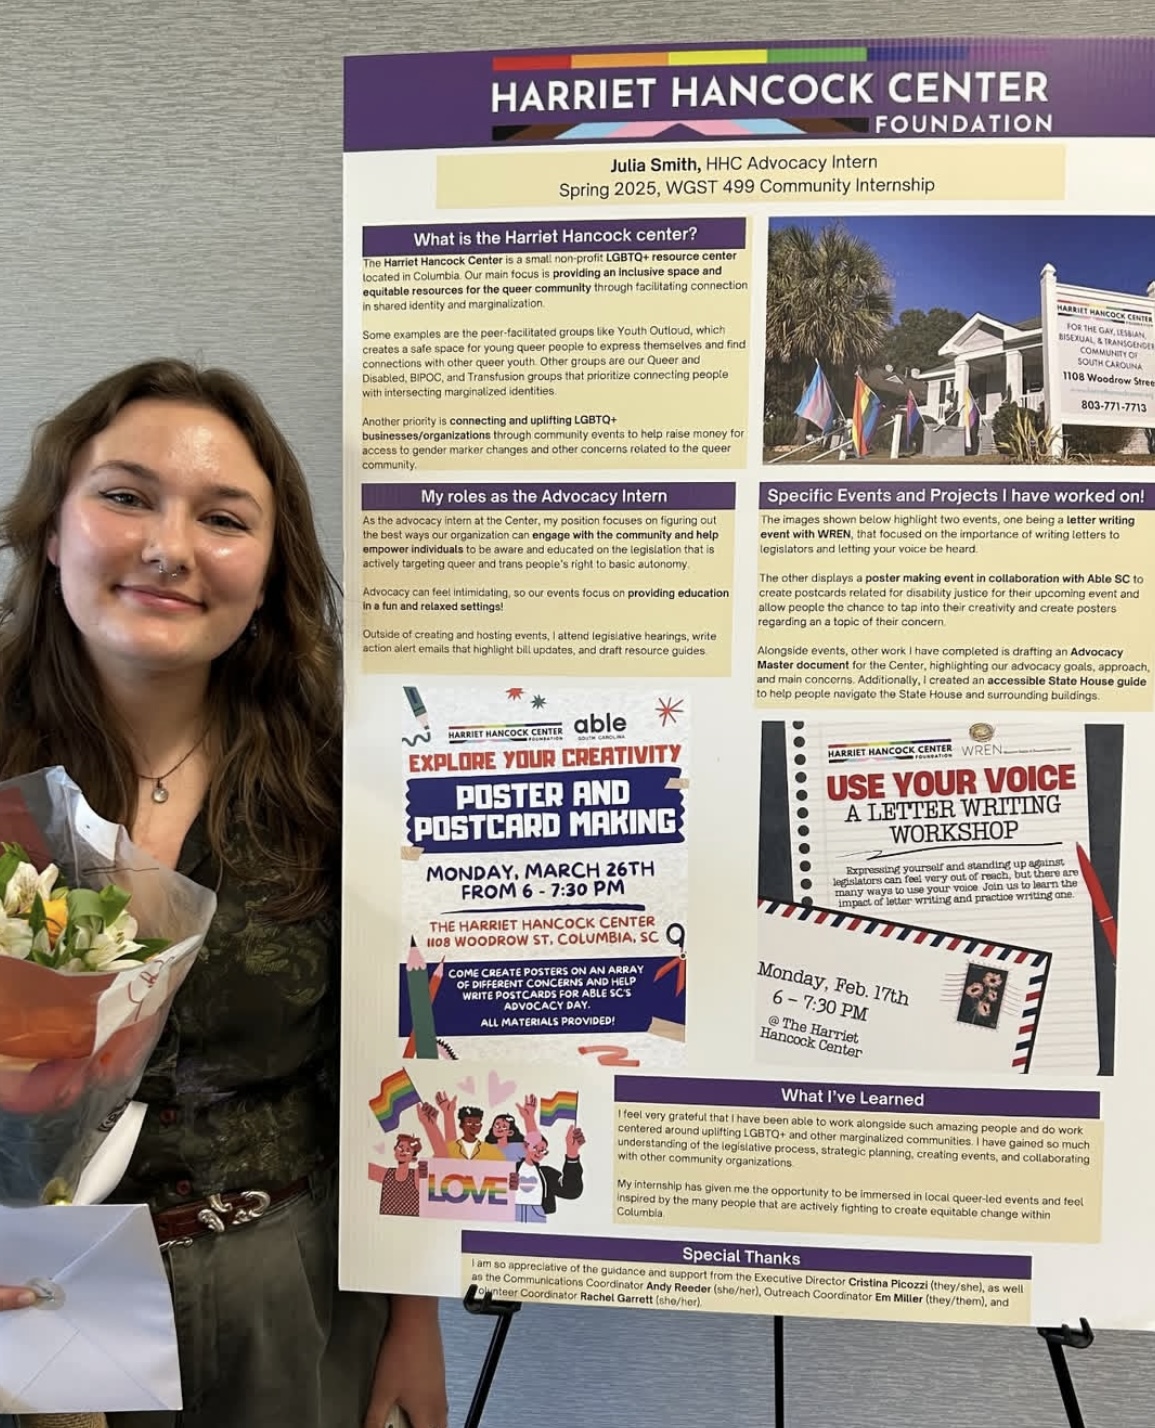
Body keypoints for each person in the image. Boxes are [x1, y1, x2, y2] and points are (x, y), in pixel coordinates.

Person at [0, 360, 448, 1428]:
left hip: (285, 1294)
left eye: (224, 518)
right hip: (25, 1296)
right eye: (125, 496)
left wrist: (414, 1324)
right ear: (53, 529)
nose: (170, 547)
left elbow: (406, 1060)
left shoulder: (344, 776)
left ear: (267, 568)